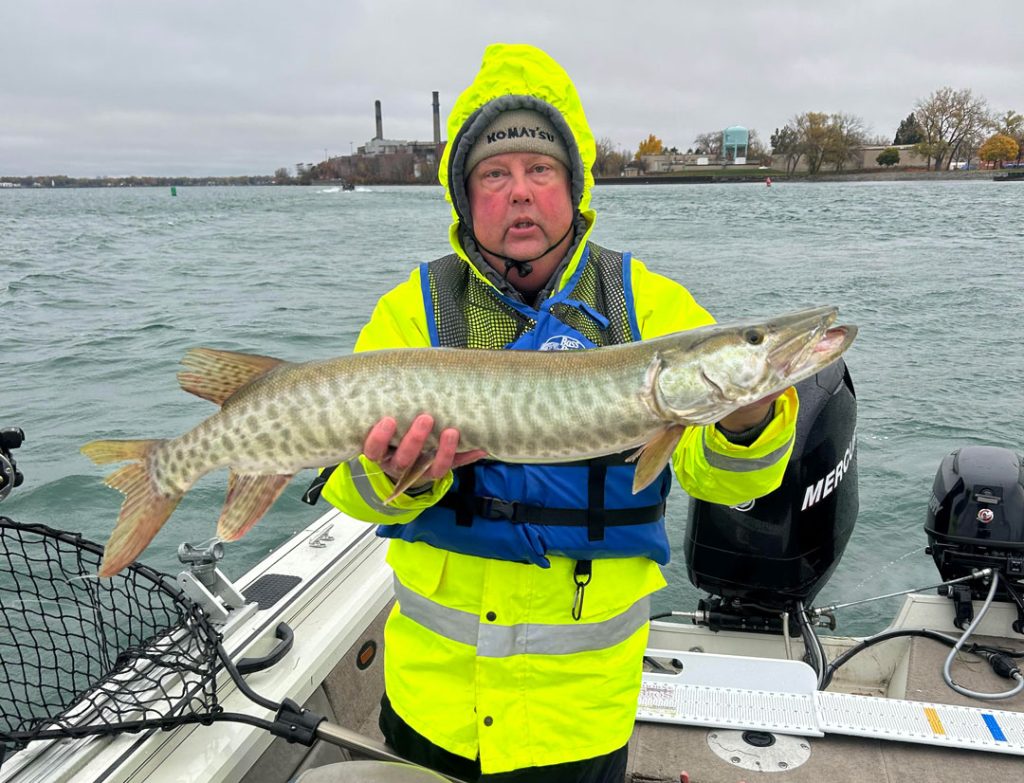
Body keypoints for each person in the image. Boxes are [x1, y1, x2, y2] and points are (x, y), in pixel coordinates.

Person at [315, 43, 798, 782]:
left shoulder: (653, 310)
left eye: (540, 171)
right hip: (431, 705)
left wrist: (747, 421)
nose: (519, 192)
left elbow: (730, 483)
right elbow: (346, 485)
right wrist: (397, 476)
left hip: (575, 718)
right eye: (494, 174)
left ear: (572, 187)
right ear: (464, 196)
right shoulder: (413, 312)